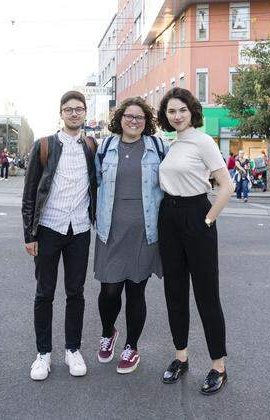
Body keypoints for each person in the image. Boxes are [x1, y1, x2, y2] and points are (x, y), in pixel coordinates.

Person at [157, 87, 234, 395]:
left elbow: (226, 186)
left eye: (182, 110)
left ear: (192, 112)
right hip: (169, 216)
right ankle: (181, 357)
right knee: (174, 290)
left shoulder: (203, 141)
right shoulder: (171, 144)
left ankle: (218, 366)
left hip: (197, 213)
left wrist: (207, 220)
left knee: (206, 294)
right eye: (171, 111)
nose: (176, 116)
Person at [22, 91, 97, 381]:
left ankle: (72, 350)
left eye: (79, 109)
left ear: (85, 113)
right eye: (69, 109)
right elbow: (29, 194)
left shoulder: (91, 145)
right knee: (44, 293)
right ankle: (43, 354)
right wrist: (29, 234)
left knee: (75, 293)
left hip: (79, 229)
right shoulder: (44, 146)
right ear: (61, 113)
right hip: (48, 229)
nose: (74, 113)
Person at [94, 97, 169, 374]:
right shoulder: (105, 147)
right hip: (110, 230)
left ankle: (131, 346)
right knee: (109, 291)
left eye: (139, 117)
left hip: (145, 231)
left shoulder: (159, 147)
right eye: (129, 116)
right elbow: (96, 184)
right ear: (120, 118)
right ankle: (107, 332)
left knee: (136, 291)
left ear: (146, 121)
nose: (134, 121)